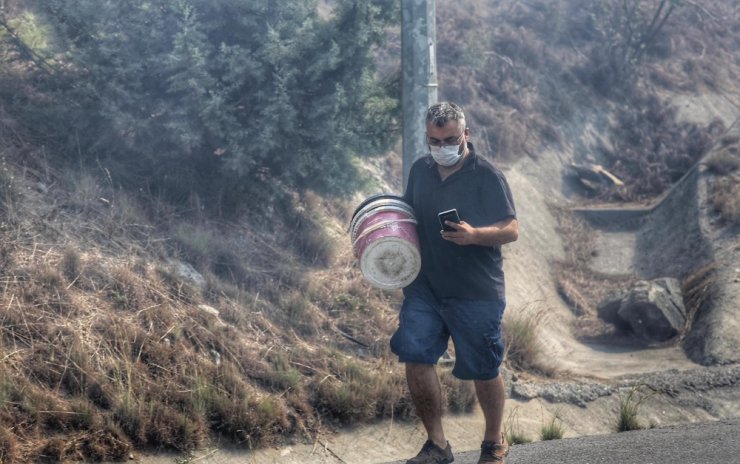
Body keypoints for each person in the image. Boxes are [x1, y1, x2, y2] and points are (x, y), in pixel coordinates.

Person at [391, 101, 518, 464]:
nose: (441, 147)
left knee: (483, 367)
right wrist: (377, 245)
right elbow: (405, 216)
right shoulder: (421, 169)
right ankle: (437, 445)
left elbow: (511, 228)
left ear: (466, 134)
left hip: (476, 290)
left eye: (449, 139)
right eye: (433, 140)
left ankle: (493, 441)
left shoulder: (487, 175)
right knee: (415, 355)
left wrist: (476, 234)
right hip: (425, 287)